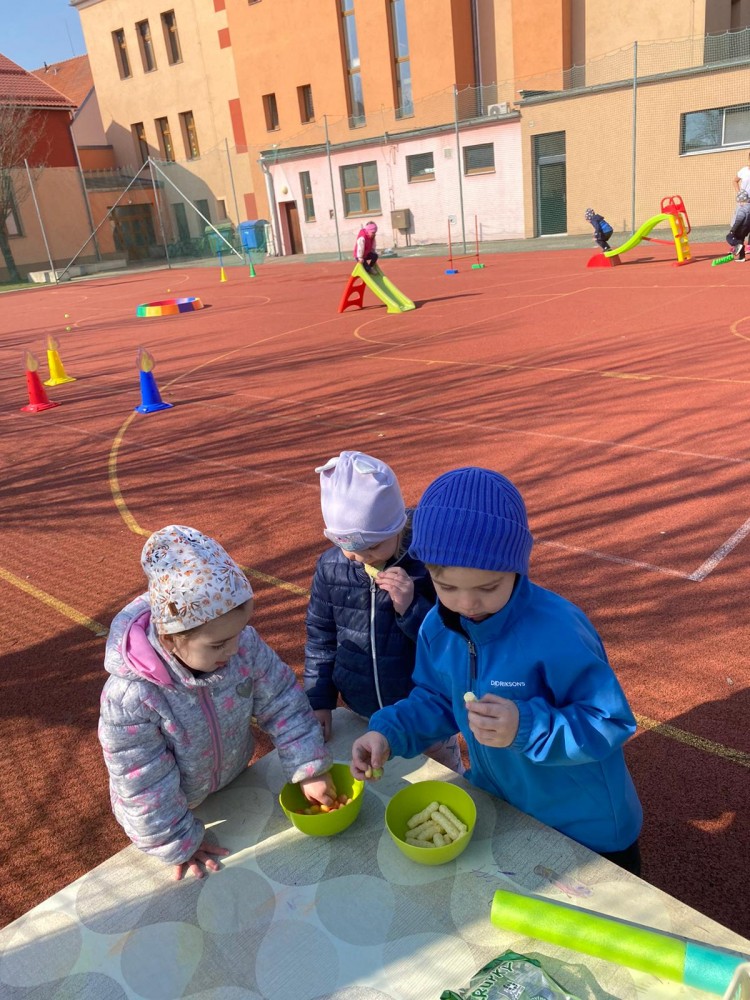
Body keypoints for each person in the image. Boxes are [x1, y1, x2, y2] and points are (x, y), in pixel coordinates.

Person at [350, 467, 644, 873]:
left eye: (487, 587)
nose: (467, 604)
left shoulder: (559, 630)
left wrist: (525, 727)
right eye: (446, 586)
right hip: (503, 805)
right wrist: (389, 732)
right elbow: (437, 699)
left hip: (585, 825)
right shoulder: (438, 627)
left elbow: (608, 721)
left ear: (517, 567)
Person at [99, 524, 335, 880]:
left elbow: (283, 702)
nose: (234, 649)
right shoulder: (132, 698)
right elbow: (142, 781)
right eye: (218, 644)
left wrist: (309, 767)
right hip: (173, 809)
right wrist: (178, 841)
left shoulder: (242, 647)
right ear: (171, 638)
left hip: (230, 781)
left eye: (239, 633)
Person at [304, 450, 463, 772]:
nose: (362, 557)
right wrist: (319, 700)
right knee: (382, 776)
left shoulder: (428, 564)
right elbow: (321, 638)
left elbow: (454, 637)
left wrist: (412, 608)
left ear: (398, 526)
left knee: (440, 776)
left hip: (421, 712)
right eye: (348, 548)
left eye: (373, 546)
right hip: (361, 706)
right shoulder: (331, 568)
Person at [726, 189, 750, 261]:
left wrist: (732, 230)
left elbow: (738, 221)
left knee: (729, 237)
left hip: (740, 228)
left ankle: (737, 245)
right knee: (741, 240)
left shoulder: (742, 209)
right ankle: (742, 257)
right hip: (746, 229)